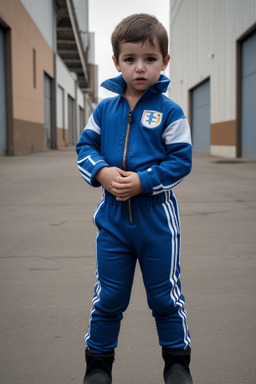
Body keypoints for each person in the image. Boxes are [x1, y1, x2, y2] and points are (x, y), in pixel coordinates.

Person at [76, 13, 193, 384]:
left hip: (156, 221)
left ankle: (176, 362)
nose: (140, 68)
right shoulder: (104, 110)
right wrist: (102, 172)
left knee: (164, 298)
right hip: (112, 221)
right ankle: (98, 364)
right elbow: (84, 147)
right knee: (108, 297)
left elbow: (181, 160)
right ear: (116, 63)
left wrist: (143, 182)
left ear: (165, 62)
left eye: (150, 59)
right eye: (130, 59)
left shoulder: (171, 112)